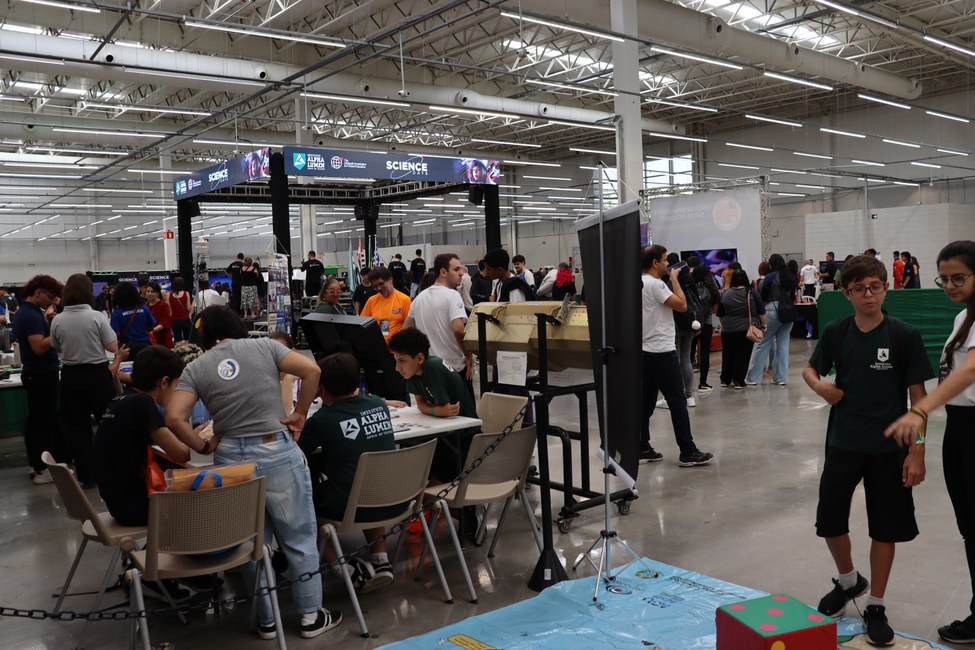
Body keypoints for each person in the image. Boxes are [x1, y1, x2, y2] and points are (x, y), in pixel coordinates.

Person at [165, 306, 342, 640]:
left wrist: (202, 446)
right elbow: (312, 369)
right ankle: (310, 616)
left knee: (250, 542)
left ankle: (266, 620)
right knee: (299, 537)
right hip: (276, 449)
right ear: (237, 325)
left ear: (204, 335)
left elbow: (174, 417)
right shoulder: (265, 346)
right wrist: (300, 413)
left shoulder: (196, 367)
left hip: (230, 457)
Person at [802, 255, 931, 646]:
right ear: (846, 293)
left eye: (875, 286)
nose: (869, 294)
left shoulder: (904, 335)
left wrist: (918, 451)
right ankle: (848, 581)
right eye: (859, 288)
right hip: (843, 442)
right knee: (830, 520)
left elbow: (919, 398)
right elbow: (811, 369)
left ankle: (876, 604)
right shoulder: (837, 332)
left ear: (886, 287)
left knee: (885, 527)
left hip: (890, 449)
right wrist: (821, 387)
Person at [884, 241, 975, 643]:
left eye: (959, 277)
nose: (950, 285)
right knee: (970, 527)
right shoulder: (962, 317)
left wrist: (921, 409)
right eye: (945, 279)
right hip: (959, 429)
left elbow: (970, 371)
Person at [297, 352, 396, 593]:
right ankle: (381, 559)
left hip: (349, 505)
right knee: (367, 481)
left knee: (296, 507)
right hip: (392, 496)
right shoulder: (378, 404)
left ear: (321, 388)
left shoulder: (323, 419)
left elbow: (297, 451)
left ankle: (345, 569)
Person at [94, 346, 191, 526]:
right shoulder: (143, 403)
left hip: (117, 503)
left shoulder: (122, 399)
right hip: (136, 507)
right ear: (164, 382)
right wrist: (201, 439)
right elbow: (182, 454)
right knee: (203, 501)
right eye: (176, 385)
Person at [638, 245, 713, 467]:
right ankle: (688, 451)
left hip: (645, 350)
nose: (667, 264)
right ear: (654, 263)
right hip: (662, 351)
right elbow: (681, 305)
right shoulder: (656, 284)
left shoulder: (638, 283)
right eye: (664, 260)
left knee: (646, 402)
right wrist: (675, 279)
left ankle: (642, 447)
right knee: (678, 401)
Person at [50, 274, 120, 488]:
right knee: (108, 423)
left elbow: (57, 348)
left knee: (77, 428)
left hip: (70, 376)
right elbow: (112, 346)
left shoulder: (58, 319)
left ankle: (87, 476)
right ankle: (113, 470)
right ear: (89, 292)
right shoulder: (97, 316)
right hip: (97, 375)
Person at [388, 327, 477, 482]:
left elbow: (445, 410)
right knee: (414, 458)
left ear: (420, 358)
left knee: (421, 465)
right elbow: (423, 405)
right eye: (396, 361)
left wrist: (436, 410)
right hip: (446, 434)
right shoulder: (413, 372)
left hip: (464, 437)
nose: (397, 368)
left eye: (401, 361)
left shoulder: (433, 367)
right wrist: (436, 411)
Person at [12, 274, 65, 485]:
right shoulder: (31, 315)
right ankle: (41, 468)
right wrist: (58, 332)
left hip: (38, 373)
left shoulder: (29, 312)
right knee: (41, 423)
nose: (51, 302)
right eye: (50, 297)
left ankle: (38, 464)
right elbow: (38, 347)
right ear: (38, 292)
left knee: (38, 421)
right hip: (40, 374)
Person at [404, 253, 473, 397]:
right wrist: (468, 355)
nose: (461, 273)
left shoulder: (419, 298)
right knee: (465, 409)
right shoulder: (452, 295)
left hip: (430, 370)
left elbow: (405, 331)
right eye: (456, 269)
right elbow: (459, 330)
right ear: (443, 272)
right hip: (453, 370)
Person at [745, 254, 796, 386]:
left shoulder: (770, 277)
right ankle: (781, 378)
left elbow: (763, 294)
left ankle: (753, 378)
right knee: (783, 345)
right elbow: (793, 294)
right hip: (788, 312)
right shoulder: (790, 276)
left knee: (762, 343)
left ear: (771, 264)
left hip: (772, 310)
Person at [718, 269, 766, 389]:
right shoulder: (751, 293)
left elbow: (720, 313)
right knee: (742, 355)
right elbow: (761, 311)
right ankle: (738, 381)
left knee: (727, 354)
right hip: (746, 328)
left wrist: (723, 325)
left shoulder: (725, 293)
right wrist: (764, 325)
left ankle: (725, 379)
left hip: (728, 329)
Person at [361, 267, 411, 345]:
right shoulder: (371, 300)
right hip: (376, 347)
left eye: (381, 283)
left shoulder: (405, 300)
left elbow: (410, 328)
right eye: (375, 286)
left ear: (390, 279)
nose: (379, 288)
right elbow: (362, 325)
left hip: (397, 348)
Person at [693, 265, 721, 392]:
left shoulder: (689, 288)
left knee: (688, 354)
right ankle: (703, 383)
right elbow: (714, 310)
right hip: (707, 323)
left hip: (692, 323)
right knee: (705, 354)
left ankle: (685, 385)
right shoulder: (712, 289)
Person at [111, 282, 156, 359]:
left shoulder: (117, 313)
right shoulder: (144, 309)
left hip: (127, 349)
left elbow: (116, 334)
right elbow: (151, 327)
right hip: (145, 347)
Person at [145, 282, 173, 349]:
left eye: (152, 292)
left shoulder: (163, 305)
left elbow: (164, 323)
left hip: (163, 338)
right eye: (148, 291)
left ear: (157, 293)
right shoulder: (146, 306)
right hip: (150, 339)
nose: (149, 294)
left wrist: (150, 331)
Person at [168, 277, 192, 343]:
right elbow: (188, 308)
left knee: (178, 340)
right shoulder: (186, 293)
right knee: (187, 340)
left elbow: (169, 311)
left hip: (174, 320)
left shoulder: (169, 295)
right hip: (185, 319)